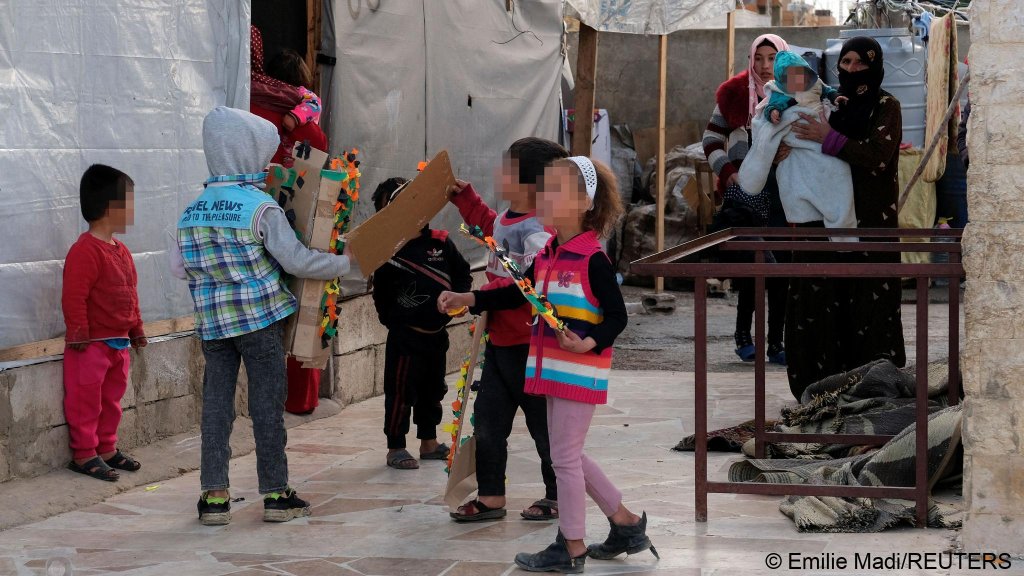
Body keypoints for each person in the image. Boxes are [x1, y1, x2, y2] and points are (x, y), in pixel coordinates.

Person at [438, 157, 656, 574]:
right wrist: (469, 299)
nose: (543, 198)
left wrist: (589, 341)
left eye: (554, 190)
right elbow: (517, 291)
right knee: (568, 455)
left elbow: (617, 316)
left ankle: (571, 546)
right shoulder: (550, 254)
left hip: (578, 372)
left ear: (583, 203)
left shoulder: (592, 258)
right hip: (552, 371)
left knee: (565, 459)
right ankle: (626, 524)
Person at [171, 107, 351, 525]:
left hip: (214, 327)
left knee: (216, 408)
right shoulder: (260, 207)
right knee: (267, 406)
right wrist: (345, 262)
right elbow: (298, 261)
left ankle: (214, 496)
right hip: (260, 322)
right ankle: (275, 493)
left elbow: (180, 269)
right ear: (250, 152)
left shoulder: (191, 211)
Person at [447, 137, 567, 523]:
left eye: (507, 169)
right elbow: (489, 227)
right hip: (499, 344)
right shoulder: (508, 218)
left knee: (544, 429)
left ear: (532, 185)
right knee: (487, 422)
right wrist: (465, 199)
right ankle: (492, 496)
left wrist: (473, 297)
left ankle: (556, 495)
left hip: (532, 349)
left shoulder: (538, 231)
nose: (500, 173)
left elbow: (523, 286)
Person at [787, 36, 907, 400]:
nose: (852, 69)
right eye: (847, 62)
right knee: (820, 305)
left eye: (861, 63)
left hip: (870, 223)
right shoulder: (827, 101)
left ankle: (875, 394)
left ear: (875, 65)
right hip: (824, 221)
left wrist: (829, 137)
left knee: (869, 306)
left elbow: (878, 155)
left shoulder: (887, 106)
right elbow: (793, 138)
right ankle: (818, 393)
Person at [371, 177, 473, 470]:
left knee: (433, 389)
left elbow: (463, 272)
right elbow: (381, 294)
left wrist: (462, 299)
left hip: (437, 334)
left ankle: (428, 441)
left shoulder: (440, 242)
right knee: (401, 391)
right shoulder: (387, 252)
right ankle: (396, 446)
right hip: (405, 338)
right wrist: (393, 321)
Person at [702, 34, 790, 364]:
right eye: (759, 58)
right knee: (755, 267)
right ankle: (742, 336)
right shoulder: (734, 93)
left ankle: (777, 343)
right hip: (745, 194)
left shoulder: (794, 93)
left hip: (784, 193)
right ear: (750, 59)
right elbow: (710, 140)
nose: (765, 66)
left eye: (772, 58)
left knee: (782, 268)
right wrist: (729, 174)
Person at [62, 165, 147, 482]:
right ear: (112, 207)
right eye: (130, 201)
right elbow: (74, 296)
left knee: (111, 401)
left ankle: (107, 449)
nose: (133, 209)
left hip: (118, 343)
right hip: (90, 347)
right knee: (86, 402)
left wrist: (136, 330)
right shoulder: (84, 251)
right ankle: (84, 454)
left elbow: (130, 294)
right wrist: (79, 336)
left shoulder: (122, 251)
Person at [741, 51, 857, 237]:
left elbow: (828, 91)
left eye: (800, 74)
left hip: (820, 133)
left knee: (835, 169)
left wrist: (836, 98)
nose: (797, 81)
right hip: (796, 135)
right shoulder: (780, 92)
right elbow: (773, 107)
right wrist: (774, 114)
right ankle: (810, 213)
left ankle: (840, 222)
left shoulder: (816, 83)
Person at [249, 26, 326, 166]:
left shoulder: (252, 94)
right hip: (292, 164)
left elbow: (314, 104)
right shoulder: (300, 95)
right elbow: (319, 142)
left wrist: (295, 117)